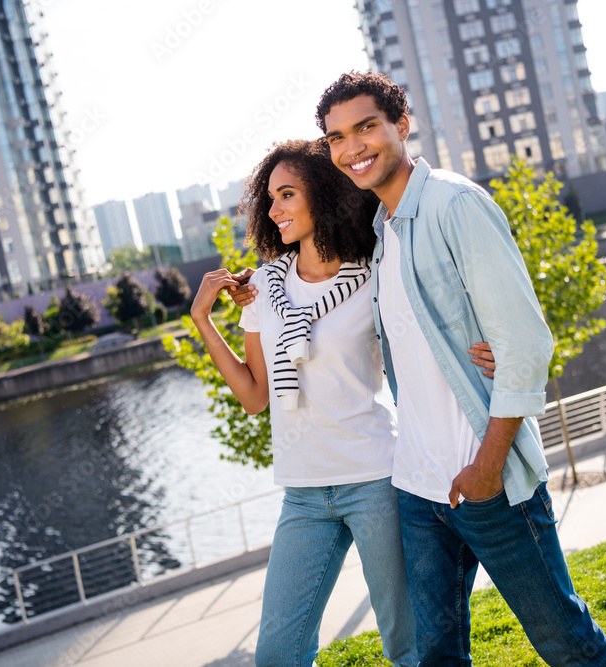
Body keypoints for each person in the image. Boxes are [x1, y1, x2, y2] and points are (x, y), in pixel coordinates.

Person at [306, 71, 606, 667]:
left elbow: (527, 342)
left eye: (366, 127)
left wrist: (487, 464)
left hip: (488, 482)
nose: (352, 147)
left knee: (564, 638)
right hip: (419, 487)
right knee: (437, 656)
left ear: (402, 125)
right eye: (337, 137)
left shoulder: (456, 204)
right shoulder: (380, 232)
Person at [191, 138, 421, 666]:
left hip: (376, 478)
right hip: (303, 490)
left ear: (323, 194)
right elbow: (253, 396)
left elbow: (418, 349)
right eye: (268, 199)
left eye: (287, 195)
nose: (273, 211)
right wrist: (203, 322)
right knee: (277, 653)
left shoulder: (374, 275)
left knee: (407, 643)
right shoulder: (265, 287)